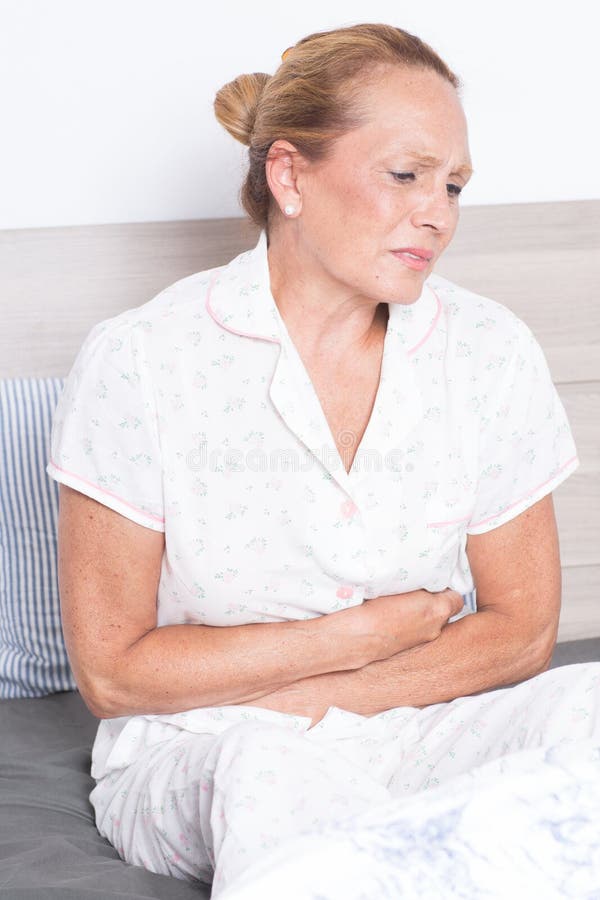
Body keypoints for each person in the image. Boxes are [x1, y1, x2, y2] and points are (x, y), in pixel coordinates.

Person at [46, 22, 599, 898]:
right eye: (406, 175)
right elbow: (114, 671)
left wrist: (330, 696)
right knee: (274, 776)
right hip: (212, 744)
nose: (438, 213)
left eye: (454, 185)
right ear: (290, 175)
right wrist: (349, 639)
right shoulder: (144, 359)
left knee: (592, 707)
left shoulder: (490, 349)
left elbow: (524, 629)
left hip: (424, 720)